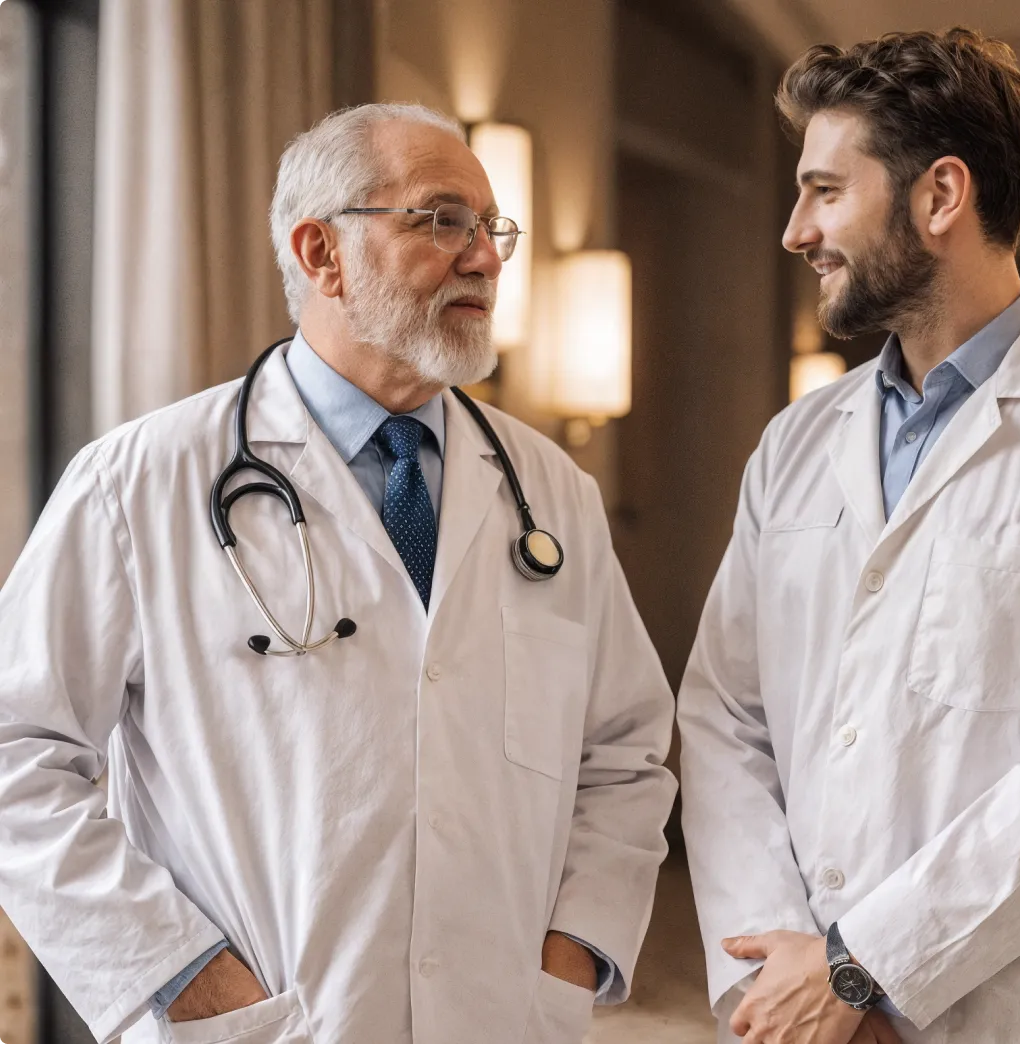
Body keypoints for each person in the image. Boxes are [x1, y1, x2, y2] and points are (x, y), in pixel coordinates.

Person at [0, 102, 676, 1044]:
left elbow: (625, 756)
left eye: (493, 228)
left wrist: (568, 961)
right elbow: (17, 754)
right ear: (322, 253)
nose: (485, 257)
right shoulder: (139, 482)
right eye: (444, 220)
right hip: (265, 1022)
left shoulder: (549, 489)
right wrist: (184, 979)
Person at [677, 29, 1020, 1044]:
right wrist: (787, 972)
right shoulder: (795, 443)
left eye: (826, 191)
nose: (795, 231)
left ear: (940, 196)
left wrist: (863, 967)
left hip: (1005, 1014)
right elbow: (724, 716)